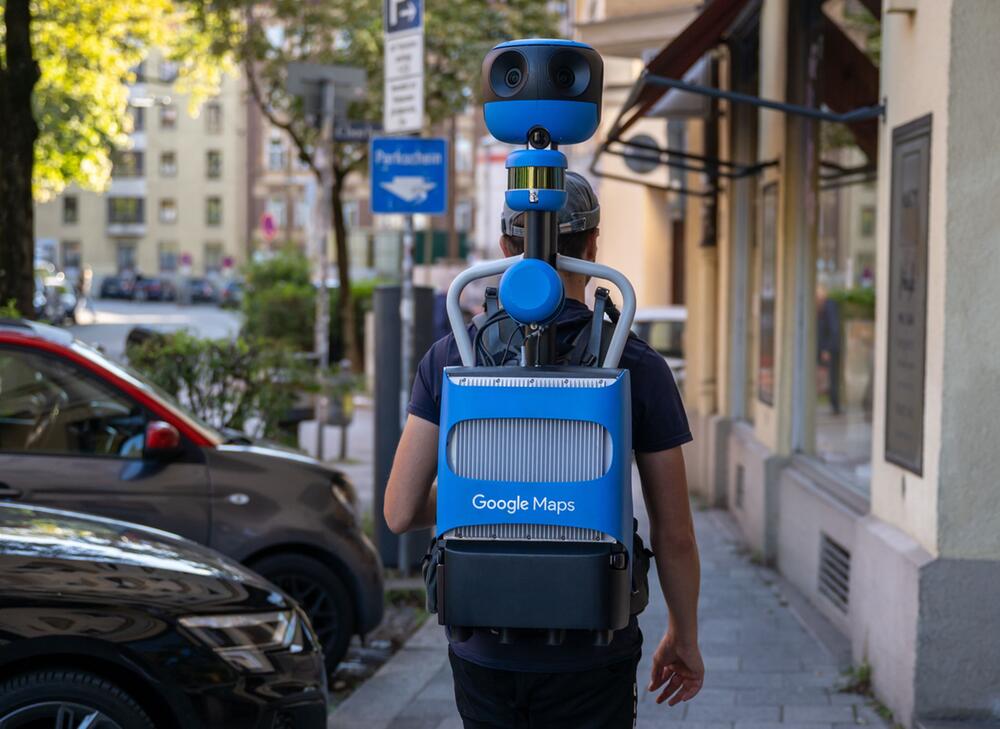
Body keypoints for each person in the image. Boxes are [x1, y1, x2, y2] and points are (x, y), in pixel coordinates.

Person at [384, 172, 703, 729]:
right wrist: (685, 636)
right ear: (594, 244)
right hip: (592, 646)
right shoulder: (635, 364)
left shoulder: (453, 356)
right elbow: (674, 534)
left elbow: (400, 511)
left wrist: (493, 496)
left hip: (484, 646)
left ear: (507, 250)